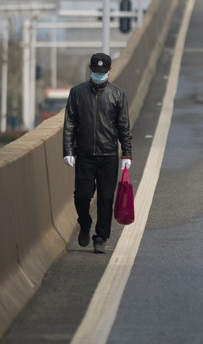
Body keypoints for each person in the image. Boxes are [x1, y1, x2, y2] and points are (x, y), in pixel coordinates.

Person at [63, 52, 132, 254]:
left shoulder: (117, 95)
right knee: (82, 196)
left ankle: (100, 237)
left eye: (102, 72)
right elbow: (69, 124)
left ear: (109, 71)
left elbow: (123, 127)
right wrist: (68, 150)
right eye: (96, 71)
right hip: (84, 155)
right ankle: (84, 222)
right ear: (90, 70)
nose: (99, 74)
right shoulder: (77, 93)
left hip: (108, 155)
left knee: (105, 198)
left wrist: (126, 154)